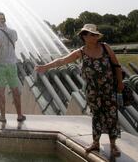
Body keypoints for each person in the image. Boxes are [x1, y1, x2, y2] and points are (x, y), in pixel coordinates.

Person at [35, 24, 123, 157]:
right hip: (92, 91)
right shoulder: (81, 52)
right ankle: (95, 143)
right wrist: (46, 66)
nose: (93, 36)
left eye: (94, 34)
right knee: (97, 116)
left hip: (108, 89)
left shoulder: (105, 47)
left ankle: (113, 145)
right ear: (84, 36)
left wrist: (120, 83)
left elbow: (116, 65)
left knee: (111, 115)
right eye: (90, 34)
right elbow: (62, 60)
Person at [0, 12, 25, 123]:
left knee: (1, 92)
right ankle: (19, 115)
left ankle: (3, 117)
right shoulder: (14, 33)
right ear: (5, 20)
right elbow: (12, 44)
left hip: (1, 66)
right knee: (15, 90)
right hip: (12, 65)